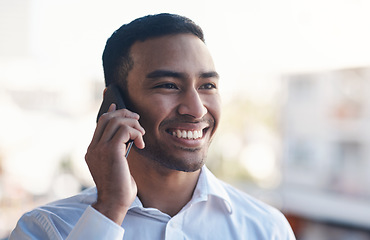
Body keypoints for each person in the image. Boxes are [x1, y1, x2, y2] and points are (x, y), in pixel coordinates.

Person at [10, 13, 295, 239]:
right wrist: (109, 208)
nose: (196, 109)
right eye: (169, 85)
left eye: (207, 85)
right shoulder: (45, 229)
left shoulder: (266, 229)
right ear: (115, 103)